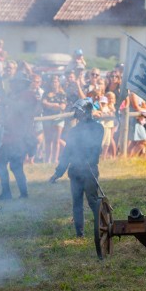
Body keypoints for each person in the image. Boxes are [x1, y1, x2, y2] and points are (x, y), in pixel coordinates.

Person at [49, 99, 105, 258]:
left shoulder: (98, 128)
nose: (77, 114)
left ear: (86, 111)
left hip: (89, 169)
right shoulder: (73, 132)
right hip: (75, 170)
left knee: (93, 201)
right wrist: (58, 173)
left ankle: (101, 227)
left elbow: (96, 147)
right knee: (77, 203)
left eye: (79, 111)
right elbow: (66, 153)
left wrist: (90, 161)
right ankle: (79, 233)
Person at [0, 77, 37, 200]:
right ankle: (12, 193)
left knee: (14, 165)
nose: (12, 85)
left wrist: (6, 100)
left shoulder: (28, 95)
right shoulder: (14, 96)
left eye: (15, 82)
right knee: (5, 163)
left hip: (20, 137)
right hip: (11, 136)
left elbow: (21, 108)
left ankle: (19, 194)